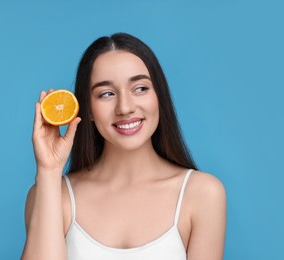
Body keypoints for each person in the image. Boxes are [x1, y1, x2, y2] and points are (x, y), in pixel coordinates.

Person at [22, 33, 226, 260]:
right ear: (88, 109)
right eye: (106, 93)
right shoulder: (51, 195)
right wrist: (49, 171)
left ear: (159, 96)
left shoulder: (202, 193)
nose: (125, 107)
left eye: (140, 88)